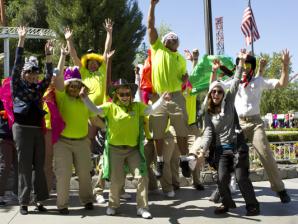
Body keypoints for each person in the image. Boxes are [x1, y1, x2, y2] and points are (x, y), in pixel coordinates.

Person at [80, 78, 170, 219]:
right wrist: (85, 98)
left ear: (131, 94)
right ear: (116, 95)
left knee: (142, 177)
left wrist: (162, 100)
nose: (124, 97)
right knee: (116, 180)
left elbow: (150, 110)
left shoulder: (137, 106)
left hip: (133, 150)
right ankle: (113, 205)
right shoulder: (110, 107)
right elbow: (95, 110)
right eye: (121, 94)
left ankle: (142, 207)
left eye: (127, 94)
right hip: (115, 150)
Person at [190, 50, 260, 216]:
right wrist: (202, 150)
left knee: (242, 178)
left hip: (237, 147)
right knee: (221, 180)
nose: (216, 94)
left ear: (223, 94)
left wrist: (242, 62)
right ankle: (227, 203)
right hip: (222, 151)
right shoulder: (208, 111)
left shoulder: (228, 102)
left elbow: (235, 81)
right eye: (213, 92)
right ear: (210, 94)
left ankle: (253, 205)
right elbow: (207, 133)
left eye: (219, 92)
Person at [230, 50, 291, 203]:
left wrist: (285, 65)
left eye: (247, 64)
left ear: (252, 67)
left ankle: (280, 189)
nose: (244, 67)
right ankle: (225, 186)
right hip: (238, 124)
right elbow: (214, 86)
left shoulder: (258, 81)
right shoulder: (234, 82)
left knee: (265, 154)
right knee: (229, 154)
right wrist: (214, 71)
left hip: (255, 124)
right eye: (241, 64)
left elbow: (282, 84)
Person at [11, 27, 52, 215]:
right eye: (30, 72)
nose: (34, 75)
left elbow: (49, 76)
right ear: (24, 74)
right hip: (21, 129)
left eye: (36, 73)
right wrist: (21, 40)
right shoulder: (17, 86)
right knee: (25, 166)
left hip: (37, 130)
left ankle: (39, 200)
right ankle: (24, 202)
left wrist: (48, 56)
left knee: (39, 165)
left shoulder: (38, 89)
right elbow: (17, 65)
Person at [147, 0, 190, 178]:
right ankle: (160, 161)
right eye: (170, 38)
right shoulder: (157, 49)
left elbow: (183, 76)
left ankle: (185, 160)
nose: (173, 39)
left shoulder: (180, 58)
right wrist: (152, 5)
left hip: (176, 97)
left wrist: (185, 77)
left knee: (182, 132)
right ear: (164, 42)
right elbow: (150, 26)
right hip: (158, 98)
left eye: (175, 39)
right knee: (157, 134)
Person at [0, 81, 18, 206]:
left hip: (18, 138)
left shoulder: (19, 100)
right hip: (4, 137)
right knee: (4, 167)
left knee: (19, 168)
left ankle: (17, 193)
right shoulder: (1, 100)